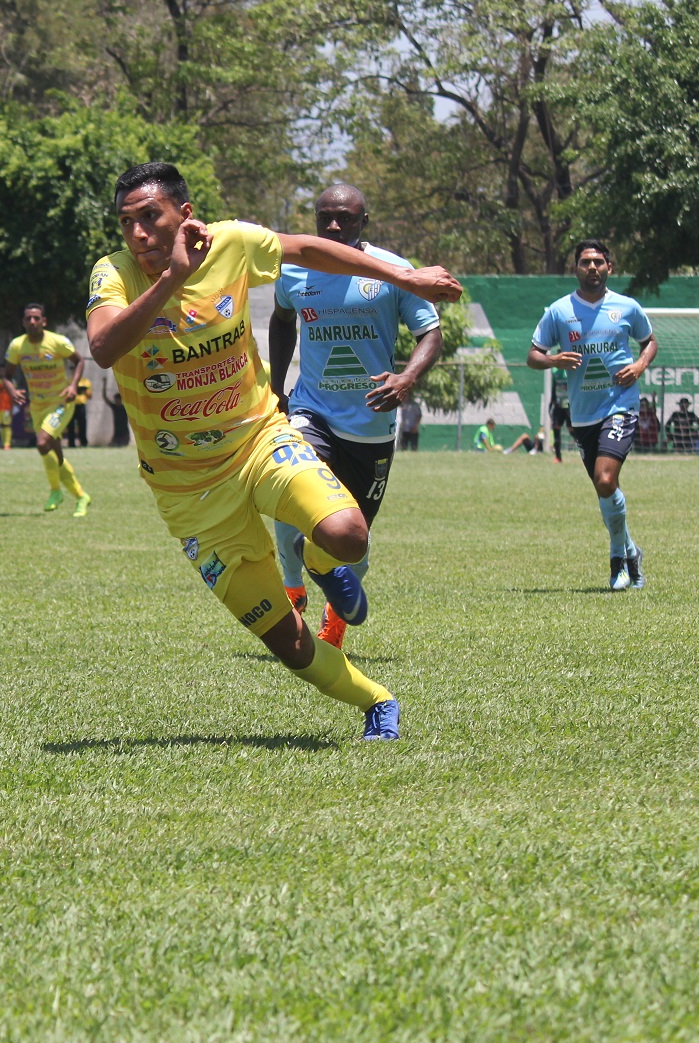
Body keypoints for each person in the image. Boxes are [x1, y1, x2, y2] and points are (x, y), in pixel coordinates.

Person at [85, 161, 462, 742]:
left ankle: (318, 563)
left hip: (258, 442)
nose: (137, 234)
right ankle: (378, 701)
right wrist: (170, 279)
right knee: (289, 644)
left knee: (348, 536)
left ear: (184, 216)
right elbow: (106, 346)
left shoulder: (231, 243)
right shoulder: (113, 273)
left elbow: (309, 250)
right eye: (126, 222)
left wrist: (408, 281)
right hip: (189, 494)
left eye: (150, 218)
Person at [268, 182, 444, 649]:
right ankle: (291, 581)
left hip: (371, 423)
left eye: (344, 217)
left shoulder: (392, 270)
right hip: (313, 410)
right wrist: (276, 388)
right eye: (325, 215)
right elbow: (282, 319)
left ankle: (335, 621)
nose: (333, 224)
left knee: (354, 542)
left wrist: (406, 377)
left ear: (364, 222)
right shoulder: (294, 269)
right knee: (292, 486)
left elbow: (431, 333)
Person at [527, 239, 657, 591]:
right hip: (583, 416)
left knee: (604, 479)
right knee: (606, 490)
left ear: (609, 268)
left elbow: (650, 342)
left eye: (599, 261)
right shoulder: (558, 311)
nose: (593, 267)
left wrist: (639, 366)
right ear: (576, 268)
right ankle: (632, 551)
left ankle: (618, 563)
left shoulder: (627, 307)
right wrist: (554, 359)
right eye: (586, 262)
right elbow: (533, 355)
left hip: (621, 405)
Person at [1, 304, 91, 516]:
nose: (32, 322)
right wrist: (12, 390)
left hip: (61, 402)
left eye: (36, 318)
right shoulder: (17, 346)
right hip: (38, 405)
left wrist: (72, 386)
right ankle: (81, 496)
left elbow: (79, 361)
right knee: (54, 450)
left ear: (44, 321)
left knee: (42, 443)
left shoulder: (57, 342)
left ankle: (55, 491)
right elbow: (6, 375)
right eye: (28, 318)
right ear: (23, 322)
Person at [65, 377, 92, 447]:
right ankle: (71, 443)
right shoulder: (69, 381)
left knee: (82, 425)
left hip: (81, 406)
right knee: (71, 426)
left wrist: (84, 391)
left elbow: (90, 396)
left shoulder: (86, 381)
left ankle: (83, 443)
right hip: (71, 406)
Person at [0, 375, 14, 449]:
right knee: (1, 425)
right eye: (0, 371)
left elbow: (13, 395)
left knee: (7, 425)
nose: (1, 372)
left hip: (7, 408)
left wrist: (12, 408)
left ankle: (7, 444)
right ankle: (3, 443)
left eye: (3, 370)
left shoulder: (10, 382)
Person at [549, 391, 571, 461]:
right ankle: (558, 457)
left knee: (572, 430)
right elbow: (554, 388)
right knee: (556, 429)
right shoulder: (555, 379)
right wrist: (552, 401)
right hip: (558, 406)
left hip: (568, 405)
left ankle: (585, 450)